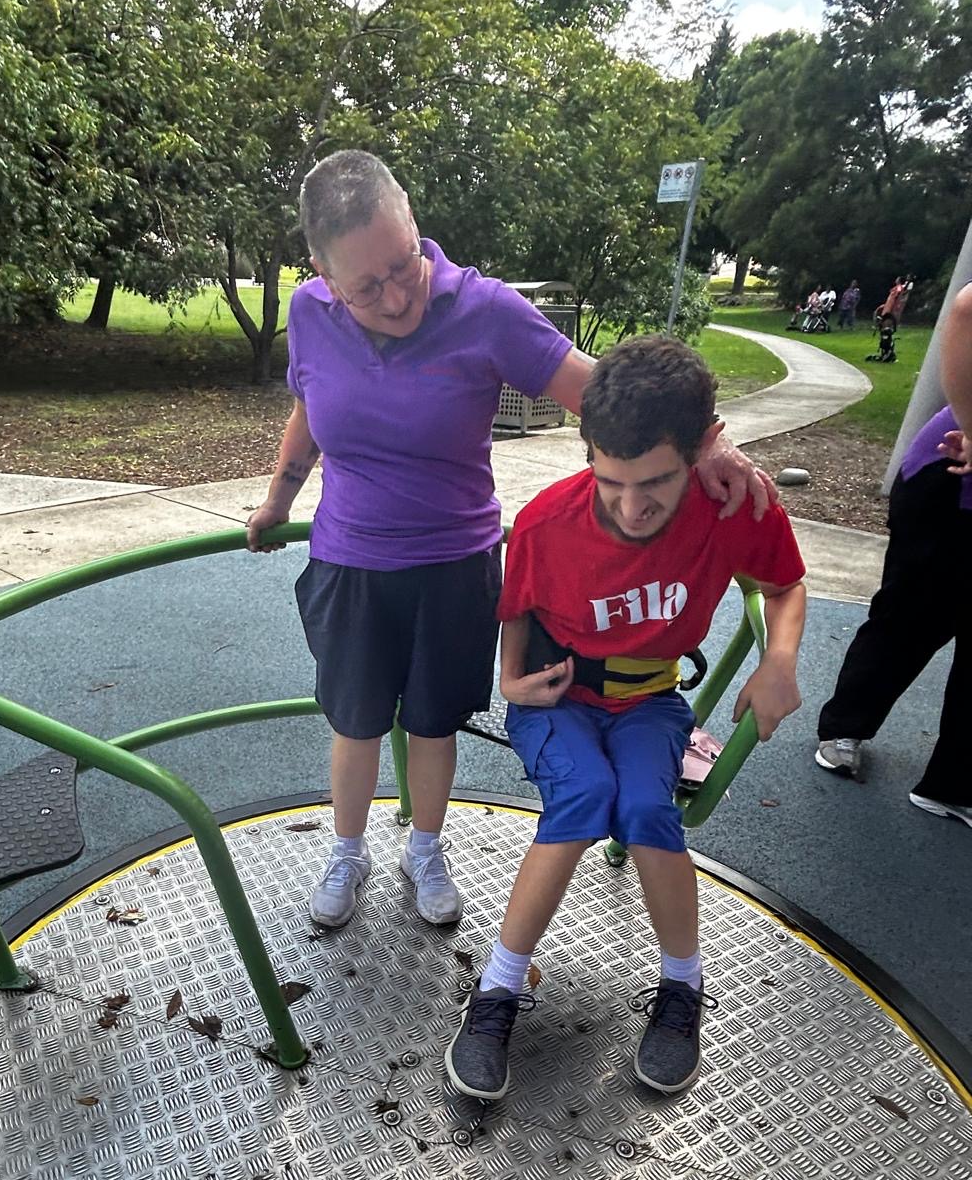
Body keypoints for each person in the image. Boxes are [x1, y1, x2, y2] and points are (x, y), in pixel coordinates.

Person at [245, 151, 777, 930]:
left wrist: (707, 443)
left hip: (454, 563)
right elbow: (310, 410)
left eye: (402, 266)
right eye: (367, 286)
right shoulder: (310, 316)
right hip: (351, 559)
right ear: (323, 274)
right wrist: (277, 498)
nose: (396, 297)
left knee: (430, 720)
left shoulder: (484, 310)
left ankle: (425, 848)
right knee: (354, 720)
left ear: (415, 226)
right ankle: (348, 850)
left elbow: (602, 394)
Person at [445, 336, 806, 1100]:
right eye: (610, 481)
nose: (631, 506)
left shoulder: (730, 504)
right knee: (583, 800)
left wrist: (779, 663)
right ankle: (497, 990)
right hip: (562, 696)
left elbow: (784, 585)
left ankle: (682, 990)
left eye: (655, 484)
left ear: (701, 451)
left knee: (645, 805)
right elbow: (518, 610)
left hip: (650, 698)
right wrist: (512, 681)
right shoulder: (550, 522)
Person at [815, 282, 972, 827]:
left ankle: (954, 782)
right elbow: (967, 306)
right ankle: (844, 726)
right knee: (911, 615)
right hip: (952, 482)